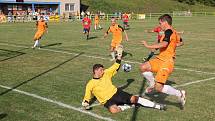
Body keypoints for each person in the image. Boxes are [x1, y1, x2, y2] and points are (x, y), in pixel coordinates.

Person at [82, 50, 166, 113]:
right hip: (107, 101)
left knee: (134, 99)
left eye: (103, 70)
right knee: (113, 110)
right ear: (95, 71)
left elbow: (115, 66)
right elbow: (87, 95)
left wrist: (119, 56)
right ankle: (125, 106)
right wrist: (86, 103)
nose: (103, 71)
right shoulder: (90, 84)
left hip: (117, 93)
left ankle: (157, 106)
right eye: (101, 70)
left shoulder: (106, 73)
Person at [140, 14, 186, 108]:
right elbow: (181, 42)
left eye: (160, 23)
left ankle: (179, 93)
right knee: (143, 67)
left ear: (165, 22)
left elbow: (164, 44)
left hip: (167, 62)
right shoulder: (174, 32)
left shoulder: (169, 31)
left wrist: (148, 46)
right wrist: (173, 45)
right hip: (160, 59)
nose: (159, 25)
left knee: (158, 87)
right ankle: (152, 82)